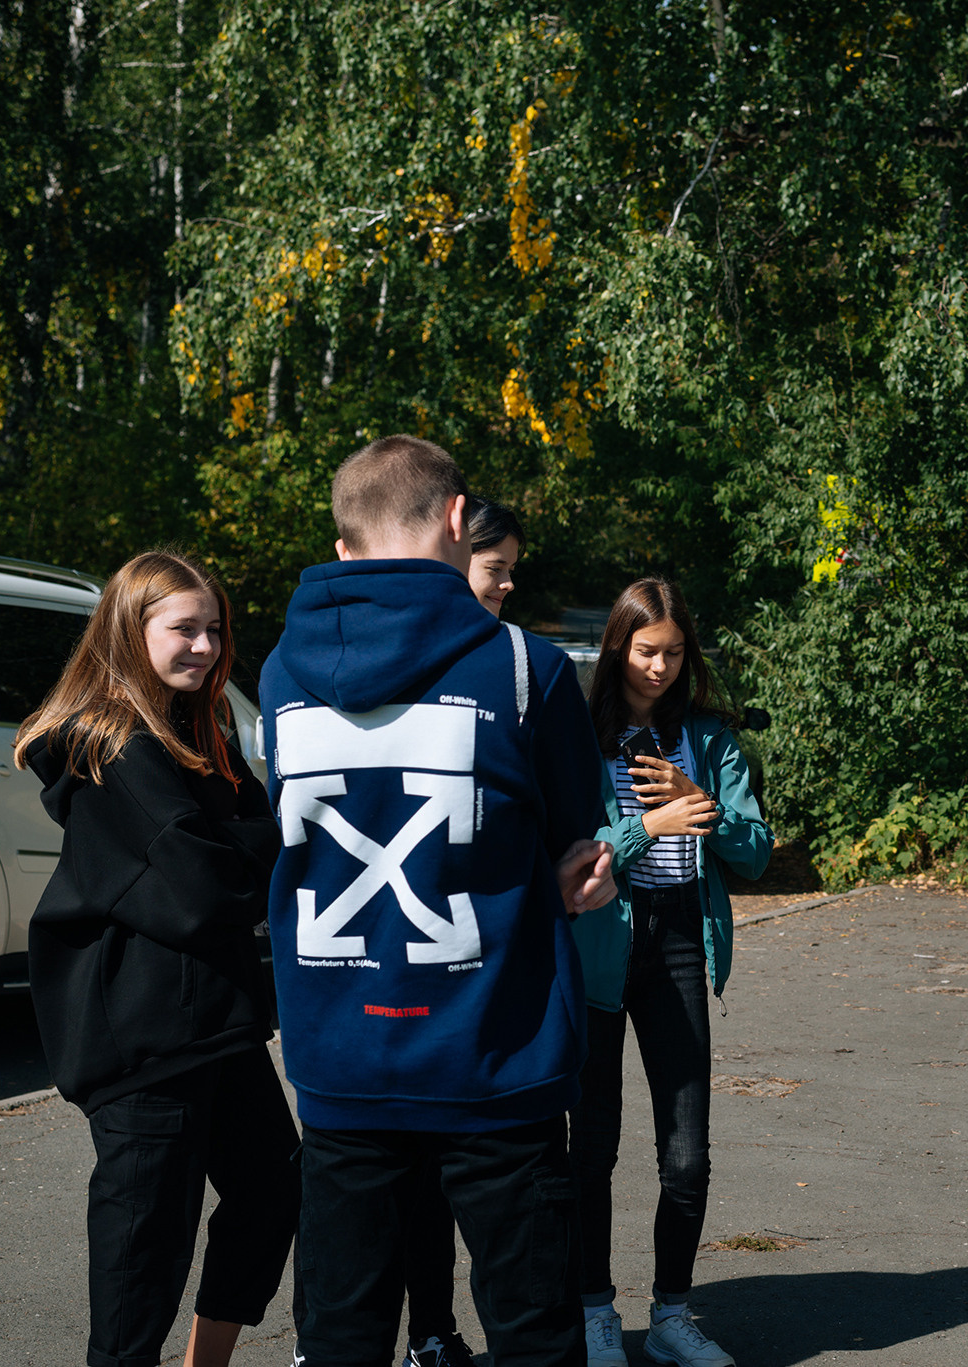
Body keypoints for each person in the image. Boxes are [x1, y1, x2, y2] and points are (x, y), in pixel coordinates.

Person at [260, 435, 615, 1367]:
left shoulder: (277, 675)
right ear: (459, 519)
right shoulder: (526, 669)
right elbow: (574, 841)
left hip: (342, 1060)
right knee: (534, 1334)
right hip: (496, 1056)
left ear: (344, 549)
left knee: (340, 1335)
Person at [13, 550, 297, 1367]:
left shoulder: (199, 730)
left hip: (216, 1022)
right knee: (145, 1250)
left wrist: (247, 839)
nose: (206, 645)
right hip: (142, 1039)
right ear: (130, 631)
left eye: (215, 628)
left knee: (274, 1188)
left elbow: (237, 847)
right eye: (185, 628)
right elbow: (203, 885)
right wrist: (262, 838)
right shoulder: (113, 745)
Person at [569, 577, 772, 1367]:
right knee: (593, 1146)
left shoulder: (709, 737)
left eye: (674, 652)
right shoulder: (581, 733)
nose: (658, 667)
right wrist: (646, 823)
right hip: (601, 940)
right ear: (618, 646)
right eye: (645, 650)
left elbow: (754, 851)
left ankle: (671, 1314)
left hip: (682, 937)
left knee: (687, 1153)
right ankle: (592, 1310)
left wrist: (702, 802)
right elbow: (576, 852)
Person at [394, 494, 531, 1367]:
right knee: (412, 1175)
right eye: (496, 568)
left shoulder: (517, 662)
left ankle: (451, 1331)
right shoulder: (416, 658)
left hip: (486, 949)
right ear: (456, 556)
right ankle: (429, 1330)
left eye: (515, 568)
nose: (509, 584)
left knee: (477, 1177)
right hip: (414, 941)